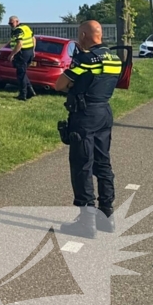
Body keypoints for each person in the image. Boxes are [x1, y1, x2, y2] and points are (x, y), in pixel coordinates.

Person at [54, 20, 123, 238]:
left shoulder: (85, 59)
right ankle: (106, 215)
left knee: (82, 164)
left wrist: (75, 82)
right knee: (103, 163)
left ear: (84, 34)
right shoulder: (115, 58)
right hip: (105, 113)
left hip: (85, 116)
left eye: (79, 34)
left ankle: (86, 222)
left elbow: (59, 84)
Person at [7, 15, 36, 100]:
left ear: (17, 21)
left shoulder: (17, 30)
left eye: (11, 23)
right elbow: (33, 38)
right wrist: (33, 50)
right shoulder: (25, 27)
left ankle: (23, 95)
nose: (10, 25)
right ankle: (30, 91)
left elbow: (19, 44)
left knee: (20, 75)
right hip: (29, 52)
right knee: (23, 73)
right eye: (9, 23)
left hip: (22, 54)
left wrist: (12, 54)